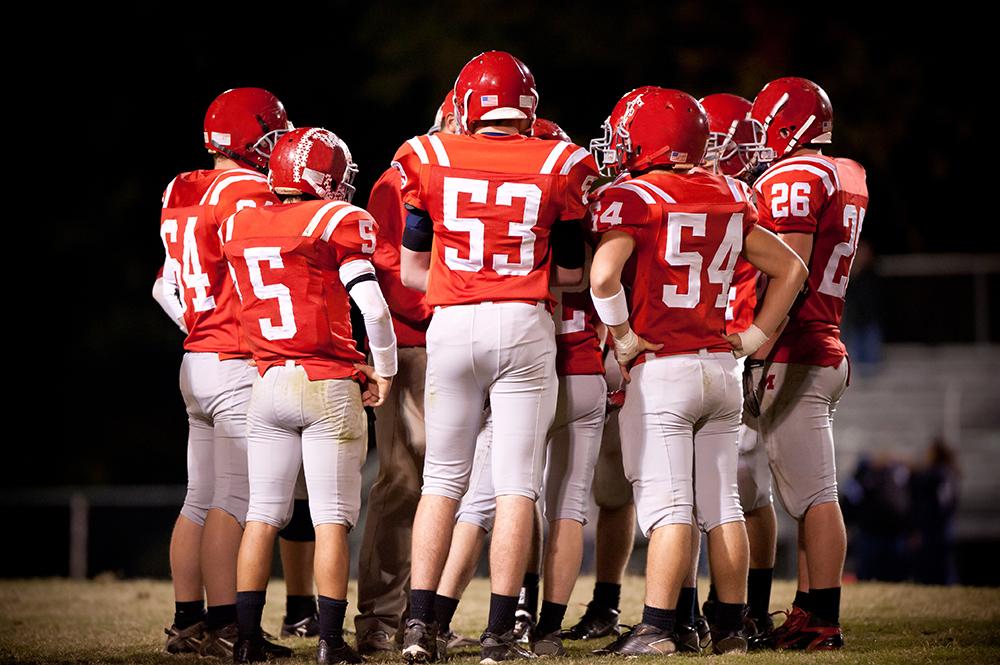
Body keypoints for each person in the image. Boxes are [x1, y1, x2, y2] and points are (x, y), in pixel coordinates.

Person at [588, 86, 807, 656]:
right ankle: (731, 628)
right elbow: (791, 268)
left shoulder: (636, 197)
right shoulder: (732, 192)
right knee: (721, 504)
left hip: (665, 368)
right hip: (721, 368)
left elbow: (603, 277)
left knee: (668, 507)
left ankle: (659, 627)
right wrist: (756, 335)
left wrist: (623, 336)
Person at [394, 50, 598, 664]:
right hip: (523, 323)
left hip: (452, 324)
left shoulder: (427, 156)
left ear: (465, 104)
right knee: (515, 486)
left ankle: (417, 626)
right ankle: (499, 633)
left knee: (442, 480)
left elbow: (410, 269)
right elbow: (569, 270)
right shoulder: (560, 162)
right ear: (528, 107)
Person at [430, 119, 608, 658]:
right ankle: (545, 627)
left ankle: (434, 617)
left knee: (482, 499)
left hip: (528, 357)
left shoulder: (503, 212)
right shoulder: (597, 207)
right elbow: (600, 279)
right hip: (577, 365)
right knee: (566, 503)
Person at [222, 127, 397, 664]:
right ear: (326, 176)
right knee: (330, 520)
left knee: (262, 514)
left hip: (268, 382)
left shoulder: (241, 221)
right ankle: (327, 641)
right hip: (327, 383)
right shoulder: (336, 220)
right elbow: (373, 307)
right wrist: (384, 370)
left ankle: (246, 639)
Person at [156, 87, 315, 657]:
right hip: (233, 360)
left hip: (195, 359)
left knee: (198, 498)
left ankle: (186, 622)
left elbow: (163, 286)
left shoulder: (181, 186)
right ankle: (226, 623)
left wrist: (199, 325)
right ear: (254, 138)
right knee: (235, 499)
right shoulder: (250, 190)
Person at [745, 76, 869, 650]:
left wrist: (757, 340)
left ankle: (821, 618)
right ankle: (807, 608)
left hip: (797, 348)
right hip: (821, 342)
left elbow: (787, 268)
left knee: (815, 496)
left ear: (786, 125)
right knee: (806, 492)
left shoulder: (796, 175)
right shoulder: (845, 173)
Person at [354, 90, 455, 656]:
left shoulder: (468, 175)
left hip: (461, 345)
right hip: (412, 344)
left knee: (454, 489)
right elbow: (388, 267)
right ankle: (379, 617)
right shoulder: (401, 180)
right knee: (402, 482)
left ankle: (427, 616)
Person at [700, 92, 778, 648]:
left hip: (729, 351)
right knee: (742, 496)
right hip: (732, 352)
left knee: (735, 495)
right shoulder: (738, 194)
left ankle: (740, 609)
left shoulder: (735, 198)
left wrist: (752, 339)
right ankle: (746, 609)